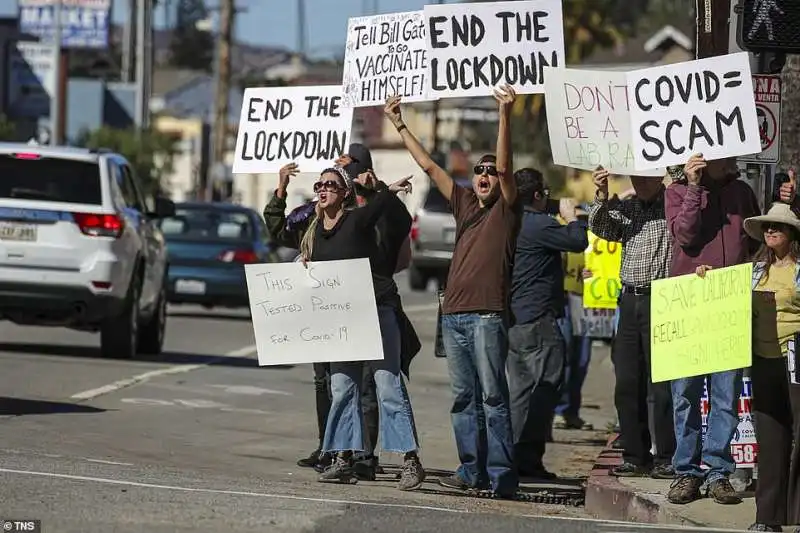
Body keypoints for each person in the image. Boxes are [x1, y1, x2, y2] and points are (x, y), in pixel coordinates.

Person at [384, 84, 520, 497]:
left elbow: (507, 168)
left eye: (489, 172)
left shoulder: (506, 209)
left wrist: (504, 114)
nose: (484, 176)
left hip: (486, 315)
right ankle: (470, 470)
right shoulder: (462, 204)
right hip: (455, 315)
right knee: (464, 398)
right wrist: (399, 123)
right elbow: (428, 165)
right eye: (478, 171)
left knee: (493, 397)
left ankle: (501, 477)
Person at [263, 163, 424, 490]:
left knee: (387, 384)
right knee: (341, 388)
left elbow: (381, 205)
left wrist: (381, 187)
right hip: (341, 322)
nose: (323, 189)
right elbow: (277, 228)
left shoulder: (357, 221)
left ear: (345, 193)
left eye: (331, 185)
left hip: (376, 313)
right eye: (320, 185)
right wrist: (280, 187)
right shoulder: (310, 227)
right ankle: (342, 460)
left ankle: (410, 460)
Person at [665, 154, 763, 504]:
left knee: (726, 392)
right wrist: (694, 189)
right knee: (685, 394)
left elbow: (754, 240)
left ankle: (719, 471)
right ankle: (686, 472)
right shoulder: (677, 191)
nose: (731, 159)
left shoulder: (742, 192)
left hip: (728, 303)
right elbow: (685, 235)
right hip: (689, 301)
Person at [697, 202, 800, 530]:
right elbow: (727, 292)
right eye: (767, 227)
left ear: (791, 234)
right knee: (771, 439)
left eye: (778, 227)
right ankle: (768, 517)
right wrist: (707, 278)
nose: (771, 231)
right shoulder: (754, 270)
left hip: (796, 357)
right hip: (763, 361)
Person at [588, 166, 676, 480]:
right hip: (628, 300)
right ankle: (635, 455)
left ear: (659, 176)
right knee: (627, 380)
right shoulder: (628, 207)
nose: (637, 182)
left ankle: (666, 456)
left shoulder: (672, 204)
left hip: (660, 297)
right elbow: (601, 228)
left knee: (662, 383)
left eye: (644, 176)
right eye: (634, 176)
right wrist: (601, 193)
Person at [507, 169, 588, 479]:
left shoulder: (511, 221)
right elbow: (579, 241)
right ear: (538, 195)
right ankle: (525, 458)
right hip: (538, 320)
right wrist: (571, 216)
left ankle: (511, 457)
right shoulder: (539, 224)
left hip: (515, 319)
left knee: (519, 391)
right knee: (544, 388)